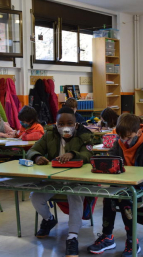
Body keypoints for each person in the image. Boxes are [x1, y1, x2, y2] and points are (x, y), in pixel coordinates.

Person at [87, 114, 143, 256]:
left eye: (128, 138)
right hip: (125, 185)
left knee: (124, 199)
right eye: (121, 137)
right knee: (108, 196)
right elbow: (112, 159)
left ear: (138, 132)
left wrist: (127, 176)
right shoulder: (119, 142)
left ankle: (132, 240)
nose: (124, 141)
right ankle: (107, 236)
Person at [27, 107, 94, 257]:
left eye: (69, 123)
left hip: (76, 179)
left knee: (74, 195)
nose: (65, 126)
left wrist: (72, 154)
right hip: (55, 178)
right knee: (35, 196)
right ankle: (48, 219)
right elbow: (32, 150)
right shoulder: (50, 134)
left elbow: (89, 154)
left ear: (76, 124)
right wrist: (37, 157)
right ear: (56, 124)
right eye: (61, 123)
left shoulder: (85, 135)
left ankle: (72, 237)